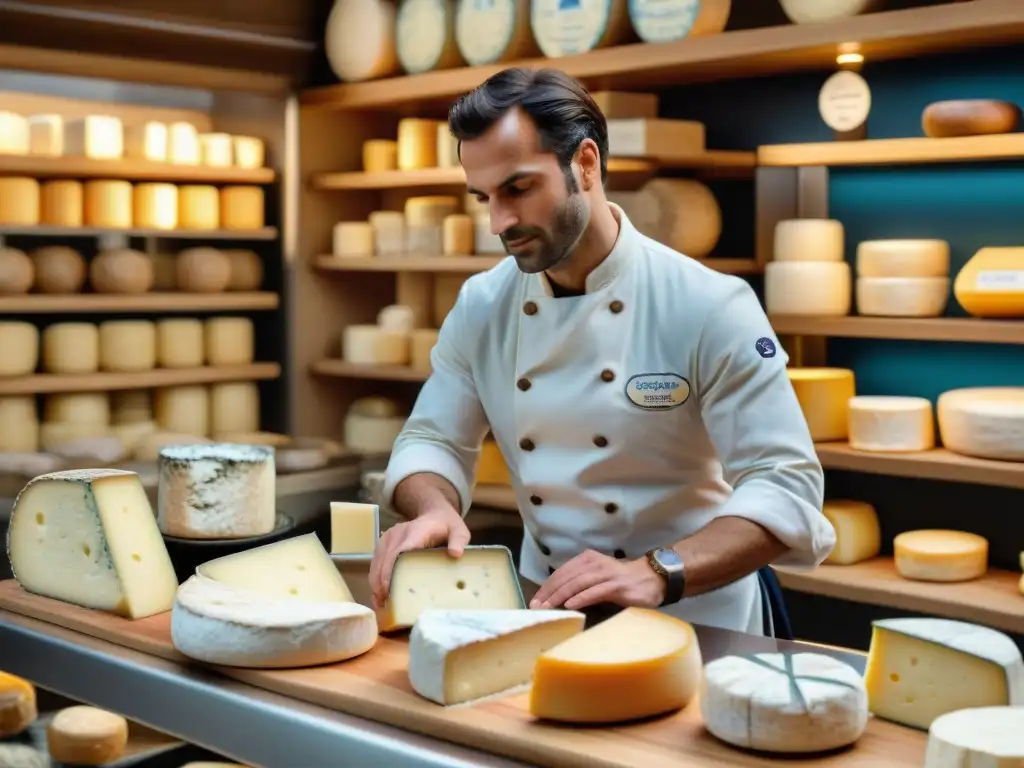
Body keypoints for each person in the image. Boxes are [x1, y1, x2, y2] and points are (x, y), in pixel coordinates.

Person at [368, 66, 835, 635]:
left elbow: (783, 484)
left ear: (585, 164)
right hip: (545, 610)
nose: (499, 223)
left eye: (517, 189)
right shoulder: (482, 304)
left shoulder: (709, 304)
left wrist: (660, 571)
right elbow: (433, 438)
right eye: (483, 197)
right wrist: (435, 506)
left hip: (696, 618)